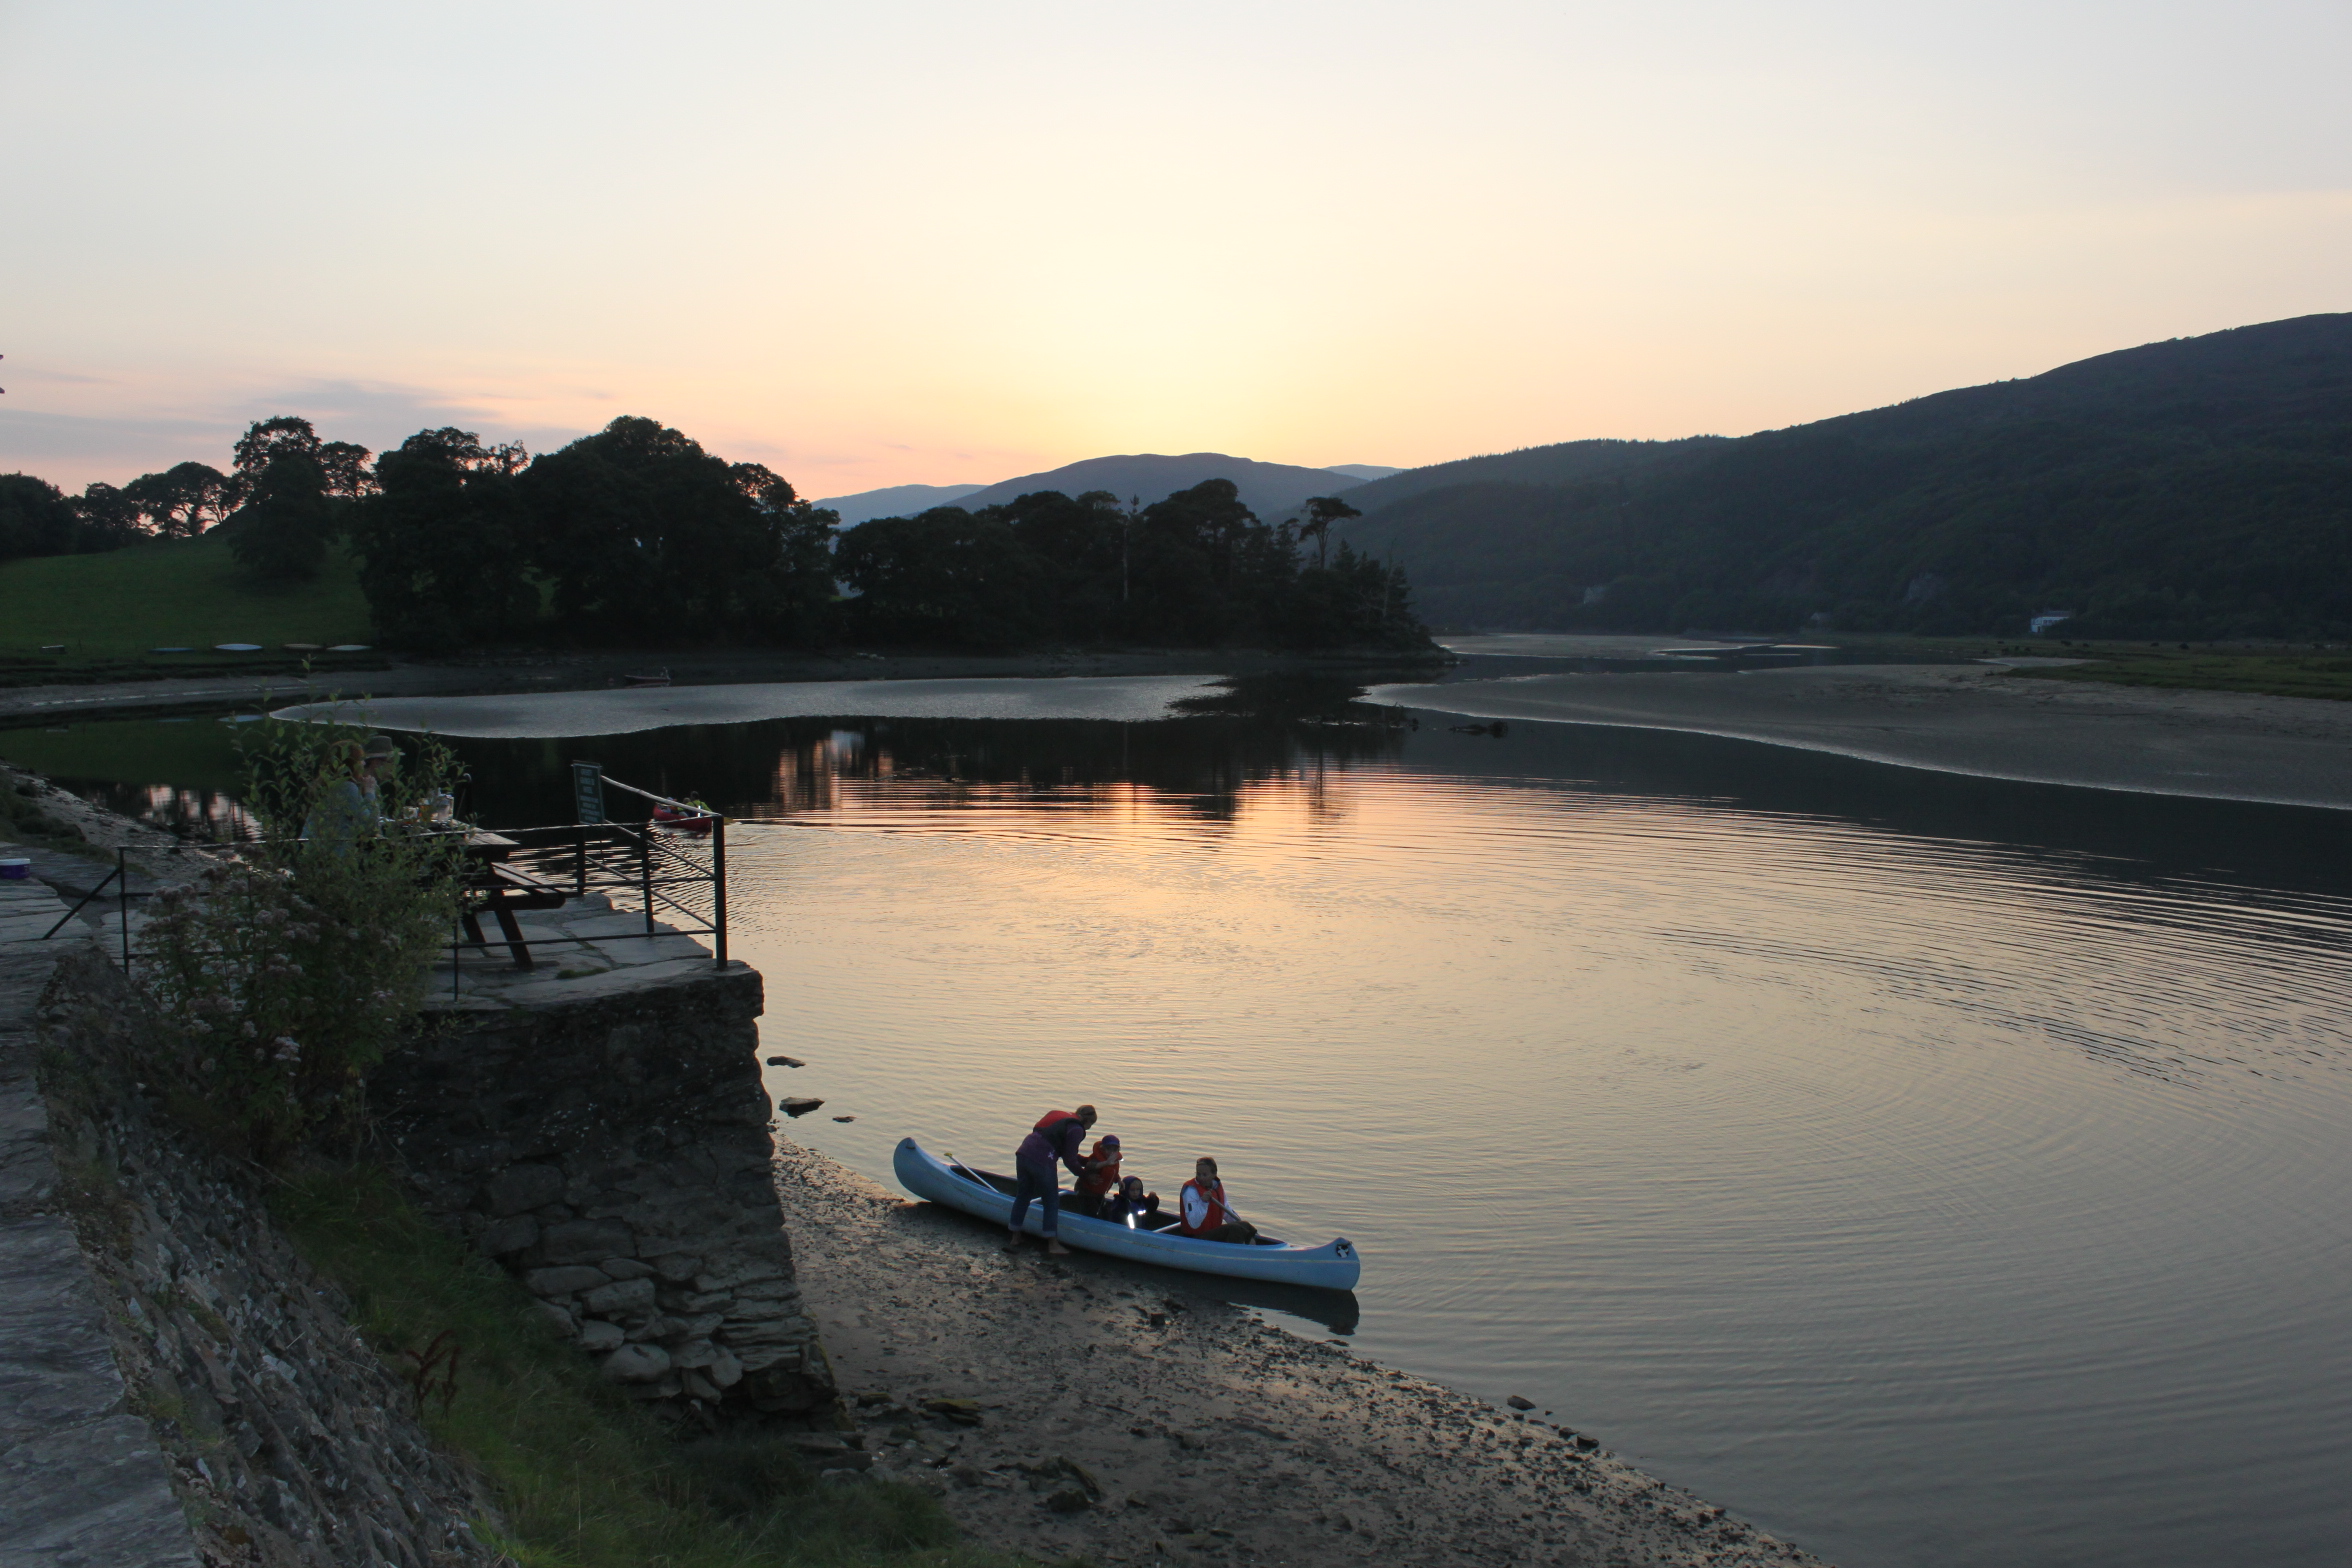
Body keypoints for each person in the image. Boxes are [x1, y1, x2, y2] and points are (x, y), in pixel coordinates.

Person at [1007, 1104, 1097, 1255]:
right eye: (1091, 1125)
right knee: (1051, 1200)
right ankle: (1053, 1245)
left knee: (1023, 1195)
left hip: (1024, 1152)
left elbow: (1062, 1149)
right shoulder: (1076, 1128)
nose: (1088, 1129)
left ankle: (1015, 1237)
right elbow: (1069, 1161)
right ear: (1086, 1121)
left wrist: (1087, 1161)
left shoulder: (1057, 1114)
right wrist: (1086, 1176)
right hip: (1042, 1160)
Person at [1178, 1156, 1258, 1244]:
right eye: (1198, 1174)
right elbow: (1193, 1223)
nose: (1201, 1178)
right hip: (1195, 1239)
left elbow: (1227, 1211)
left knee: (1244, 1225)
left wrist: (1243, 1227)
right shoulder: (1191, 1190)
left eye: (1204, 1175)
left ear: (1214, 1174)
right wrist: (1203, 1202)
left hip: (1212, 1234)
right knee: (1234, 1229)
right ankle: (1234, 1253)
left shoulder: (1216, 1188)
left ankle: (1252, 1247)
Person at [1068, 1134, 1123, 1217]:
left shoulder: (1114, 1161)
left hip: (1099, 1193)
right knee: (1092, 1212)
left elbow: (1113, 1173)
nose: (1111, 1152)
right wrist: (1106, 1163)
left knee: (1105, 1213)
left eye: (1114, 1149)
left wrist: (1119, 1180)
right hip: (1085, 1192)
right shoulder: (1096, 1158)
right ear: (1102, 1149)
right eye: (1108, 1149)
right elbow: (1090, 1165)